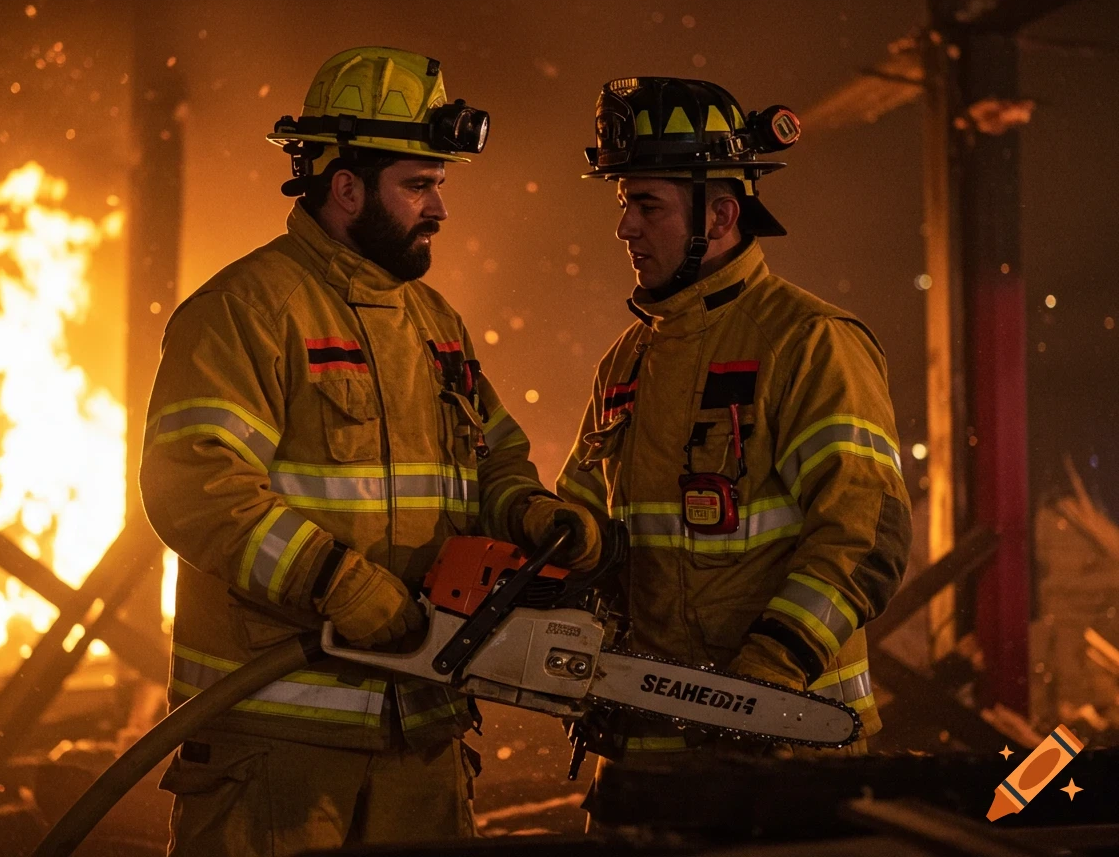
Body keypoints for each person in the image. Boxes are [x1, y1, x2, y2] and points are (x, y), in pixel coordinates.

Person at [138, 46, 600, 856]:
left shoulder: (434, 323)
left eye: (440, 185)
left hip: (421, 734)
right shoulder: (245, 310)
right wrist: (336, 584)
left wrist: (529, 511)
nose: (439, 210)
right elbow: (196, 485)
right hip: (277, 747)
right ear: (345, 186)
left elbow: (493, 455)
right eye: (418, 186)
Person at [556, 77, 912, 812]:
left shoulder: (810, 344)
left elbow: (863, 534)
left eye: (645, 205)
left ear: (719, 214)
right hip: (642, 756)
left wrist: (768, 676)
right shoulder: (627, 361)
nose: (625, 228)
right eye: (623, 203)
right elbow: (584, 525)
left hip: (788, 751)